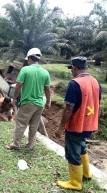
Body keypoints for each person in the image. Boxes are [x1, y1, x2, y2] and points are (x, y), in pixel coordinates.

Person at [55, 56, 101, 191]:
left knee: (72, 151)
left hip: (76, 125)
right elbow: (97, 104)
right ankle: (87, 173)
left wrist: (60, 127)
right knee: (81, 145)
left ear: (74, 68)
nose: (71, 72)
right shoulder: (95, 82)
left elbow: (68, 108)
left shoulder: (75, 83)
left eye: (71, 69)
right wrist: (95, 123)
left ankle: (75, 182)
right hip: (89, 123)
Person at [6, 48, 51, 150]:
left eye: (28, 59)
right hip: (40, 103)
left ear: (30, 58)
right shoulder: (45, 72)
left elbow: (18, 85)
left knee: (21, 123)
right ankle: (30, 145)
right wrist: (48, 102)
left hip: (28, 102)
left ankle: (16, 145)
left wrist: (14, 99)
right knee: (34, 125)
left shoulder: (25, 69)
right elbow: (47, 89)